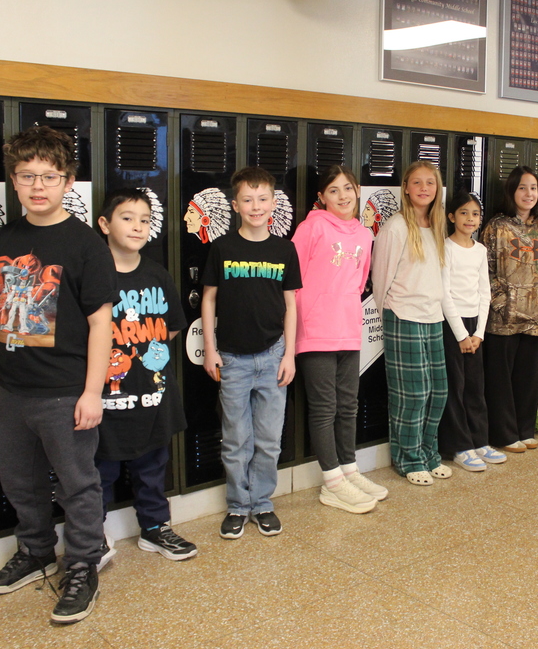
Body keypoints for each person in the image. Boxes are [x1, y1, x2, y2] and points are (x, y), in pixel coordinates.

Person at [0, 126, 116, 624]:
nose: (38, 186)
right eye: (27, 176)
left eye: (48, 177)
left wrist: (92, 391)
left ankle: (82, 565)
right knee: (20, 483)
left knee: (77, 484)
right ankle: (34, 553)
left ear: (67, 182)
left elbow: (101, 322)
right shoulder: (1, 240)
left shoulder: (85, 244)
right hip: (9, 391)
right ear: (13, 181)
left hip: (63, 394)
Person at [96, 188, 197, 560]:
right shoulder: (93, 275)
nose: (137, 227)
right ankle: (93, 535)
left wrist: (143, 351)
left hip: (153, 395)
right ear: (105, 224)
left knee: (153, 468)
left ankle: (154, 528)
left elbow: (170, 328)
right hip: (104, 399)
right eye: (127, 218)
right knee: (99, 471)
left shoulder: (157, 273)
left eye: (144, 220)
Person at [201, 166, 301, 538]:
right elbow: (208, 300)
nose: (255, 206)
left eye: (262, 199)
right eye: (247, 199)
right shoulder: (222, 248)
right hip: (232, 359)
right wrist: (210, 350)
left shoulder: (284, 249)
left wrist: (289, 354)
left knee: (268, 438)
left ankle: (262, 503)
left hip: (273, 355)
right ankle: (238, 506)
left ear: (273, 203)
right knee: (236, 438)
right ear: (235, 205)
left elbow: (290, 305)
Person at [293, 165, 387, 513]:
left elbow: (360, 281)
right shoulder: (312, 226)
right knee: (323, 407)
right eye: (333, 190)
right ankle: (332, 482)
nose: (343, 196)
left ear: (357, 190)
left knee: (348, 404)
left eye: (347, 188)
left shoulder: (364, 235)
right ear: (322, 197)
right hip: (315, 330)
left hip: (349, 329)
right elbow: (293, 277)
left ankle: (349, 469)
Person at [371, 161, 449, 486]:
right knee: (412, 395)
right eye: (416, 182)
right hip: (403, 315)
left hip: (433, 316)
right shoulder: (396, 227)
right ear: (405, 187)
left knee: (439, 392)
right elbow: (380, 279)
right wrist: (389, 312)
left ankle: (428, 452)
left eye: (429, 182)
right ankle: (407, 458)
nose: (423, 188)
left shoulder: (438, 225)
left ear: (437, 188)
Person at [481, 166, 538, 453]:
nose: (529, 193)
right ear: (512, 192)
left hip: (536, 317)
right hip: (503, 319)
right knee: (500, 378)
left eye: (533, 188)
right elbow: (485, 269)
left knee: (528, 377)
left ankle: (525, 428)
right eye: (523, 188)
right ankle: (503, 434)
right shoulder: (496, 226)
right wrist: (501, 303)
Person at [438, 191, 507, 471]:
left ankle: (479, 439)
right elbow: (444, 294)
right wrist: (461, 335)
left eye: (475, 213)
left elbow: (484, 293)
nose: (470, 218)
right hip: (452, 326)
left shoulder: (480, 250)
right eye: (464, 213)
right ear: (452, 217)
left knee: (475, 387)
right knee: (455, 387)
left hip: (474, 328)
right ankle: (459, 445)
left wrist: (479, 333)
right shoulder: (445, 248)